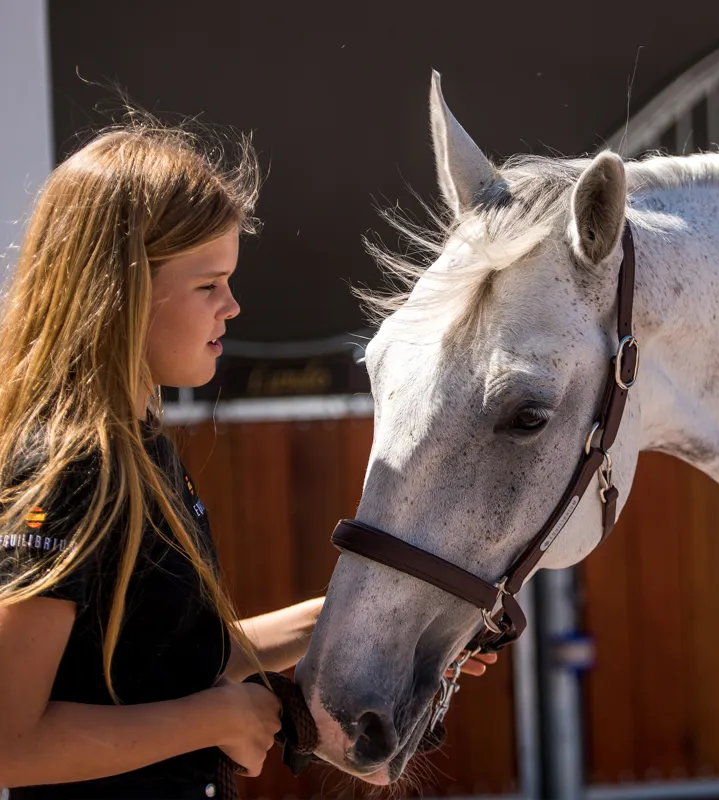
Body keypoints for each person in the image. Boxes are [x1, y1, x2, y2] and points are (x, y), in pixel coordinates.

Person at [0, 116, 495, 800]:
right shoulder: (71, 467)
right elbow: (9, 743)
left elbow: (173, 657)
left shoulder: (136, 448)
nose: (232, 307)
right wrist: (209, 719)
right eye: (208, 285)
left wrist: (385, 620)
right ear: (120, 292)